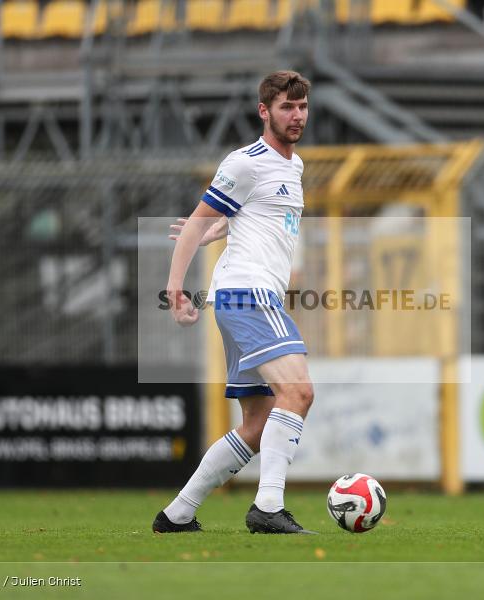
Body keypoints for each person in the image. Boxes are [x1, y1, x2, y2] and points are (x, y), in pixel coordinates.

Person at [153, 70, 316, 535]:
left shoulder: (294, 166)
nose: (296, 115)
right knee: (299, 392)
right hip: (248, 292)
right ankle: (267, 508)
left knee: (259, 422)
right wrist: (176, 287)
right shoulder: (245, 162)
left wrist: (217, 230)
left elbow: (249, 214)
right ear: (264, 111)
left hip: (250, 295)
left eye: (302, 106)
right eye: (287, 107)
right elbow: (193, 222)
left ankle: (178, 513)